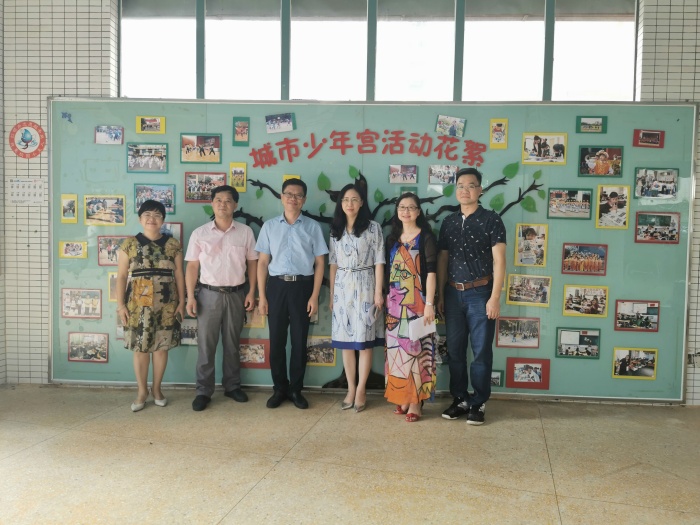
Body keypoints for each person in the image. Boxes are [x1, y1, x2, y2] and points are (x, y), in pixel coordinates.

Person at [437, 168, 506, 426]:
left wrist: (495, 297)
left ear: (480, 190)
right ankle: (460, 399)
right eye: (460, 185)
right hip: (452, 294)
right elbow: (443, 259)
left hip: (481, 293)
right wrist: (441, 293)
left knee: (480, 352)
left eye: (471, 185)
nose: (465, 190)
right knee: (455, 351)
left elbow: (500, 261)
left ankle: (478, 402)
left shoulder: (491, 220)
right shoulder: (448, 222)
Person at [185, 185, 258, 412]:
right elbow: (192, 267)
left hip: (237, 294)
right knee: (206, 346)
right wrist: (190, 297)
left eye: (228, 200)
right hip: (208, 295)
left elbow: (253, 263)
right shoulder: (199, 233)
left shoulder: (245, 232)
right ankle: (203, 391)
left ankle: (232, 386)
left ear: (235, 205)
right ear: (212, 203)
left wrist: (252, 292)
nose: (223, 204)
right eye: (218, 200)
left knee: (232, 344)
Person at [256, 179, 328, 409]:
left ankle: (296, 389)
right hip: (276, 287)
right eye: (289, 194)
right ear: (281, 197)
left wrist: (314, 296)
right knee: (276, 341)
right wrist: (262, 296)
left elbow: (320, 263)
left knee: (299, 341)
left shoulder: (313, 227)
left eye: (298, 195)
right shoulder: (269, 227)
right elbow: (262, 263)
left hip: (302, 288)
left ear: (304, 200)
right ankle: (279, 388)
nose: (293, 198)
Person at [116, 200, 185, 412]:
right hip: (137, 305)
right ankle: (141, 391)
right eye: (147, 214)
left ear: (163, 220)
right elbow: (121, 276)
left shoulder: (173, 244)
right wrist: (121, 305)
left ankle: (157, 389)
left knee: (161, 348)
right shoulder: (129, 244)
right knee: (140, 348)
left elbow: (179, 275)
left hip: (166, 304)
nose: (151, 219)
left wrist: (182, 302)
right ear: (140, 219)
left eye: (157, 215)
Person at [328, 183, 385, 413]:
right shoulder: (336, 229)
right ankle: (350, 388)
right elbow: (333, 263)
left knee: (364, 341)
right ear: (340, 203)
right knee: (346, 343)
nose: (349, 203)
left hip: (365, 286)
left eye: (354, 199)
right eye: (345, 200)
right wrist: (332, 295)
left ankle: (361, 389)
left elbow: (379, 261)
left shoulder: (373, 228)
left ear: (361, 202)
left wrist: (378, 292)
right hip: (342, 288)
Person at [384, 193, 438, 422]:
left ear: (418, 212)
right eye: (402, 207)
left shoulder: (426, 237)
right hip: (395, 305)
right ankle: (403, 397)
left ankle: (416, 402)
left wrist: (429, 304)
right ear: (397, 211)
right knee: (397, 351)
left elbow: (432, 273)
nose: (406, 211)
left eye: (411, 207)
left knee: (417, 350)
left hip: (418, 303)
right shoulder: (391, 239)